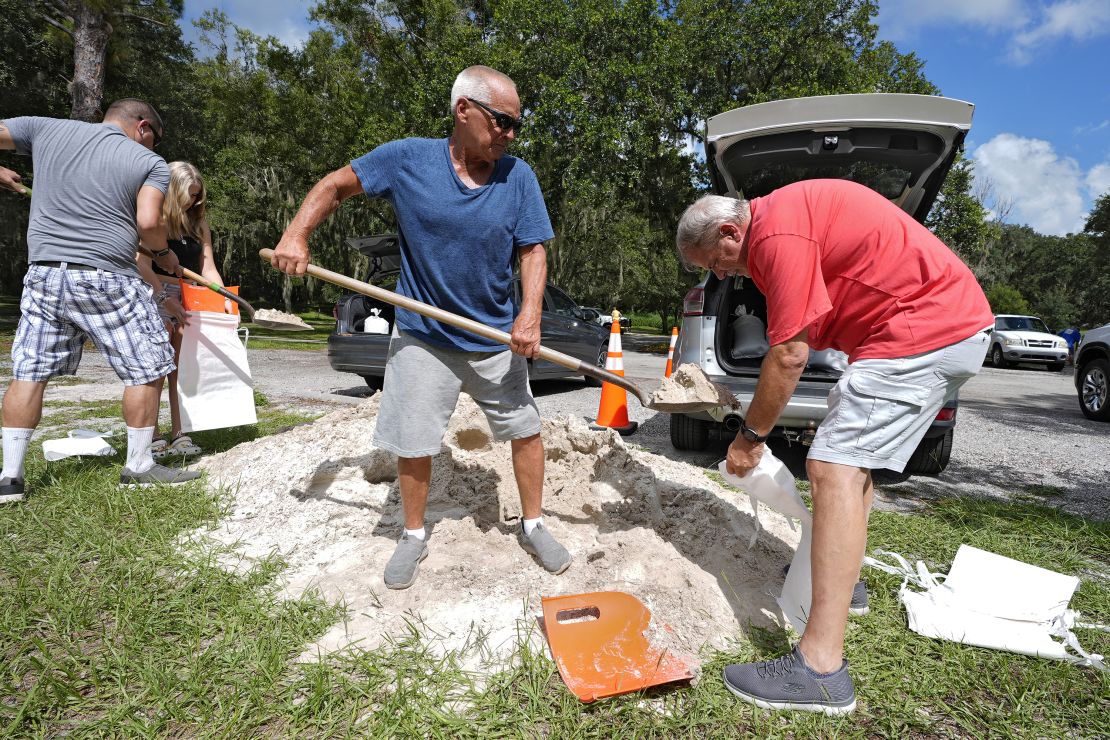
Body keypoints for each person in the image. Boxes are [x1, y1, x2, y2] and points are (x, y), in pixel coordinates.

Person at [675, 179, 993, 715]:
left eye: (717, 261)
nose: (722, 274)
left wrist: (750, 438)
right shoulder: (788, 217)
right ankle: (846, 586)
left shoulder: (778, 234)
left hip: (920, 331)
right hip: (938, 328)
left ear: (732, 230)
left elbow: (790, 355)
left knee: (831, 467)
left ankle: (820, 669)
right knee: (848, 465)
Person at [271, 65, 571, 589]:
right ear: (464, 111)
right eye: (502, 122)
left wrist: (529, 315)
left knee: (525, 430)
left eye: (516, 125)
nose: (510, 135)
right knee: (415, 440)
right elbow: (335, 185)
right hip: (422, 336)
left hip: (495, 336)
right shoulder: (406, 159)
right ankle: (412, 534)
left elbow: (533, 251)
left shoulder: (518, 176)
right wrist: (296, 235)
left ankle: (534, 523)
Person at [0, 99, 202, 502]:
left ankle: (9, 479)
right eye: (154, 140)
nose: (153, 148)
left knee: (30, 371)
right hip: (105, 275)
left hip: (44, 274)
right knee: (148, 363)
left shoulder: (45, 128)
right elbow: (148, 223)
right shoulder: (149, 163)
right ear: (143, 127)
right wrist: (164, 254)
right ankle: (140, 465)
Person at [145, 161, 230, 460]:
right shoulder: (152, 220)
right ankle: (152, 436)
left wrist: (223, 298)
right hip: (155, 293)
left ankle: (180, 433)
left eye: (197, 196)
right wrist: (162, 298)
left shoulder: (198, 225)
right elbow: (140, 263)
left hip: (189, 296)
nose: (192, 201)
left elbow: (208, 268)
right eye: (189, 194)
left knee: (182, 370)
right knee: (154, 367)